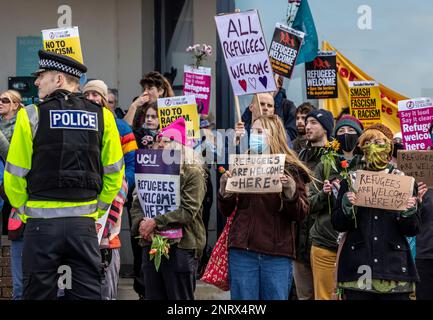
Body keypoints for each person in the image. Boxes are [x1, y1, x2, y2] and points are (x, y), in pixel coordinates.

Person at [4, 50, 124, 300]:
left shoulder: (31, 115)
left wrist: (24, 209)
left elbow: (14, 174)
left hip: (40, 227)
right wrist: (97, 209)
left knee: (37, 294)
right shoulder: (103, 116)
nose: (37, 82)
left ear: (58, 79)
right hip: (84, 226)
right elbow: (114, 173)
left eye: (42, 76)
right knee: (86, 294)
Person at [218, 115, 312, 300]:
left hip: (276, 254)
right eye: (252, 132)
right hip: (242, 251)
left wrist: (291, 192)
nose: (254, 136)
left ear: (274, 135)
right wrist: (224, 190)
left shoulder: (290, 168)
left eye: (259, 132)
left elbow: (301, 214)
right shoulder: (242, 162)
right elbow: (226, 210)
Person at [332, 123, 420, 300]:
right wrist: (347, 206)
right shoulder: (350, 181)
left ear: (389, 148)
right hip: (358, 270)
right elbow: (338, 223)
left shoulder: (405, 182)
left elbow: (412, 229)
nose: (373, 146)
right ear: (362, 148)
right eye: (368, 142)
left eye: (379, 142)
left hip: (394, 271)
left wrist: (409, 212)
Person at [130, 117, 207, 300]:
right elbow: (137, 202)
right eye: (159, 140)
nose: (161, 145)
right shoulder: (149, 169)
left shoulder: (192, 173)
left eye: (167, 141)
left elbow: (188, 211)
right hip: (151, 244)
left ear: (180, 145)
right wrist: (141, 223)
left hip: (181, 247)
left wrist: (155, 222)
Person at [83, 80, 138, 300]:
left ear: (105, 100)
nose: (92, 99)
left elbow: (133, 164)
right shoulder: (80, 124)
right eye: (87, 95)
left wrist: (121, 188)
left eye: (97, 95)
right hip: (84, 198)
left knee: (108, 247)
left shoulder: (122, 128)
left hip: (113, 199)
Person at [308, 115, 364, 300]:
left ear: (360, 137)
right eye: (341, 131)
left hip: (357, 247)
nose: (346, 134)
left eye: (351, 131)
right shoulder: (325, 164)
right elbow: (309, 204)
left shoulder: (367, 166)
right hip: (325, 244)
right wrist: (324, 194)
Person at [294, 109, 334, 300]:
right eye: (306, 122)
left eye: (313, 122)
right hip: (299, 238)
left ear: (325, 129)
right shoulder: (299, 156)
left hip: (324, 240)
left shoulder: (335, 159)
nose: (307, 126)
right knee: (304, 296)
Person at [0, 90, 24, 300]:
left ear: (16, 105)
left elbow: (12, 157)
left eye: (5, 100)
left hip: (14, 190)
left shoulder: (21, 126)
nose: (1, 103)